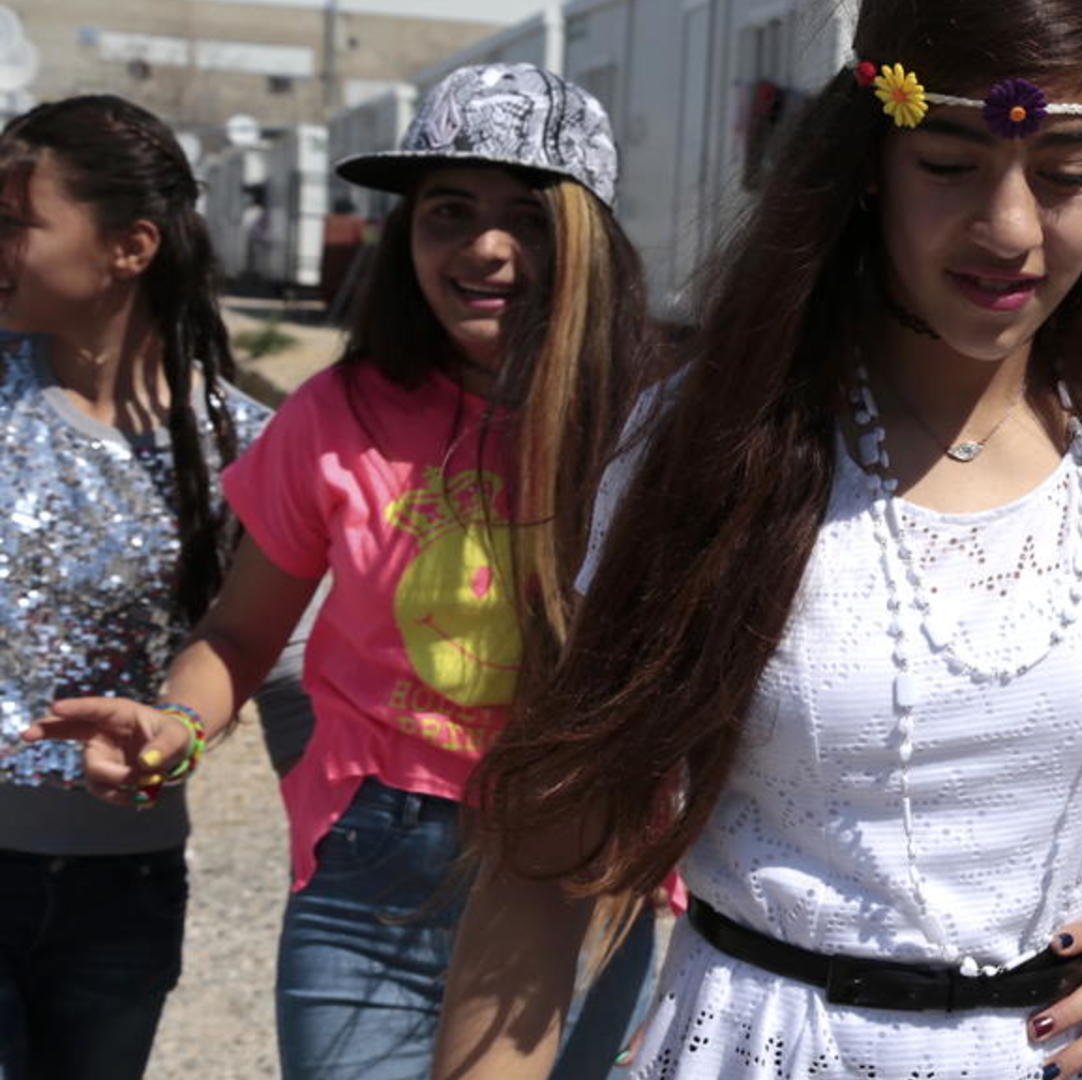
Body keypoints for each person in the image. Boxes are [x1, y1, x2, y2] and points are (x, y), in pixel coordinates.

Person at [432, 2, 1082, 1078]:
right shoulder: (715, 439)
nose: (1009, 227)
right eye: (950, 165)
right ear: (870, 165)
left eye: (1063, 173)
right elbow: (549, 855)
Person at [25, 65, 651, 1078]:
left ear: (591, 238)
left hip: (582, 876)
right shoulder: (339, 412)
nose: (485, 247)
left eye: (529, 217)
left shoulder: (660, 428)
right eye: (449, 211)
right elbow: (239, 634)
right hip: (373, 881)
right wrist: (176, 727)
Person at [0, 96, 278, 1079]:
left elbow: (260, 653)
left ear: (130, 247)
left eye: (14, 222)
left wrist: (176, 733)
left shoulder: (249, 446)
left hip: (125, 894)